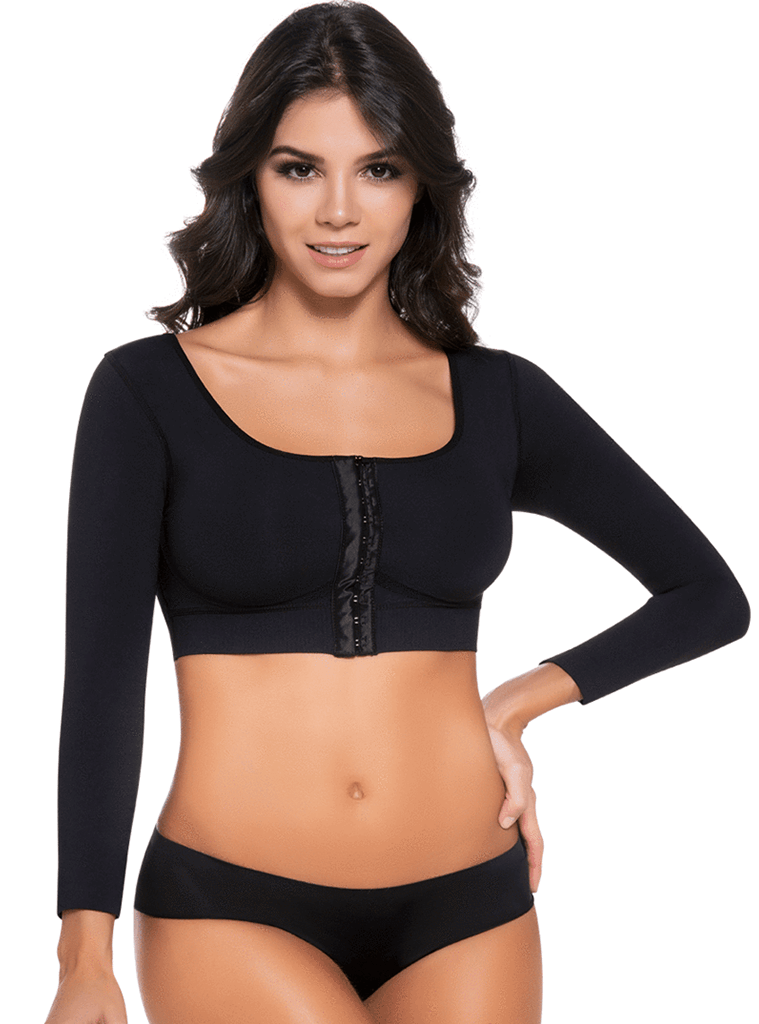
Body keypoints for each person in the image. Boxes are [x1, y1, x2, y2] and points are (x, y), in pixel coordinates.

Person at [46, 3, 750, 1023]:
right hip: (231, 903)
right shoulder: (149, 392)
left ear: (422, 185)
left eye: (377, 168)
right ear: (249, 177)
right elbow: (102, 683)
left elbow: (707, 596)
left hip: (472, 904)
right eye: (300, 168)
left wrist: (515, 703)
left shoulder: (499, 397)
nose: (339, 209)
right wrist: (84, 952)